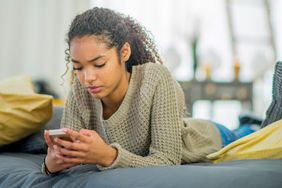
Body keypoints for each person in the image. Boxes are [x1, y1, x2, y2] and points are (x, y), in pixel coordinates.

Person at [42, 7, 250, 175]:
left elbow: (167, 161)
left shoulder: (155, 79)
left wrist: (107, 155)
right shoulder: (81, 90)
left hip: (211, 139)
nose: (88, 78)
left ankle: (248, 123)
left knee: (250, 134)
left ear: (124, 53)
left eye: (99, 64)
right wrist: (53, 163)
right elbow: (71, 159)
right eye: (78, 67)